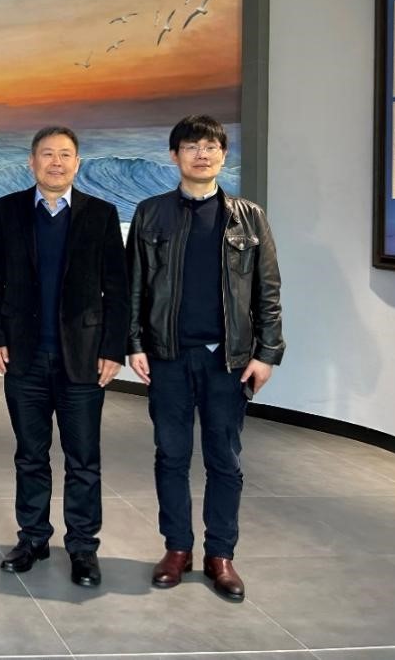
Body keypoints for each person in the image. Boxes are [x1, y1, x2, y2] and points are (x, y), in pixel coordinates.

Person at [127, 114, 285, 602]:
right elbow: (134, 287)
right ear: (174, 156)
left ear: (223, 155)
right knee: (171, 457)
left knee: (225, 460)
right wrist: (134, 343)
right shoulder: (150, 213)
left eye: (211, 146)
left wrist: (267, 353)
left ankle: (221, 555)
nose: (202, 154)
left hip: (228, 361)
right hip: (169, 356)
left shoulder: (249, 217)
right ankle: (177, 549)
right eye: (192, 146)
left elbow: (268, 291)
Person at [0, 126, 129, 587]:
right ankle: (33, 538)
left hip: (82, 358)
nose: (56, 162)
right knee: (30, 455)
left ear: (77, 163)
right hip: (23, 357)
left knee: (83, 458)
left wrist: (113, 348)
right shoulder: (7, 210)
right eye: (47, 154)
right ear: (32, 161)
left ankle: (83, 547)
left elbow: (118, 289)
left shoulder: (101, 214)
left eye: (65, 154)